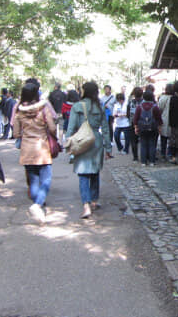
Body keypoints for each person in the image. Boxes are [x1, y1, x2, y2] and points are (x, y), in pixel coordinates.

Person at [65, 81, 112, 219]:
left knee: (83, 174)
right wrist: (108, 148)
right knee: (94, 172)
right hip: (96, 141)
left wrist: (69, 145)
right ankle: (94, 201)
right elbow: (105, 129)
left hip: (82, 141)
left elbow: (71, 127)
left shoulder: (77, 106)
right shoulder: (100, 106)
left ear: (84, 91)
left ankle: (85, 205)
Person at [13, 82, 57, 224]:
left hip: (27, 149)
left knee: (33, 180)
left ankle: (38, 203)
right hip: (42, 148)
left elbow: (15, 133)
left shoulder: (19, 112)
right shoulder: (43, 109)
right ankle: (37, 204)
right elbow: (52, 128)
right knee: (46, 179)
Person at [133, 90, 163, 166]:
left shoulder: (139, 107)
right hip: (153, 128)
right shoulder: (155, 107)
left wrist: (136, 127)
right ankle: (152, 161)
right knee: (152, 144)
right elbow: (159, 118)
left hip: (142, 128)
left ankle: (143, 161)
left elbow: (135, 119)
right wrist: (159, 128)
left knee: (143, 144)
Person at [127, 87, 143, 163]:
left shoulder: (130, 102)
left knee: (133, 141)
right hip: (143, 123)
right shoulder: (144, 102)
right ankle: (144, 157)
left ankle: (135, 157)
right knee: (143, 140)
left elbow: (128, 113)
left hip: (132, 123)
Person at [157, 83, 173, 162]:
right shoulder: (175, 97)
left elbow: (159, 109)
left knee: (164, 138)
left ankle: (163, 154)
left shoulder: (162, 98)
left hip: (164, 120)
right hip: (173, 120)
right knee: (172, 138)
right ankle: (170, 153)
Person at [100, 85, 116, 150]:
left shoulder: (113, 97)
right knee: (104, 127)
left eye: (107, 89)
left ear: (110, 90)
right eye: (105, 89)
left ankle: (111, 140)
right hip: (104, 114)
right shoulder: (102, 98)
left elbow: (116, 105)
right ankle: (104, 140)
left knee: (110, 127)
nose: (106, 90)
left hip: (111, 114)